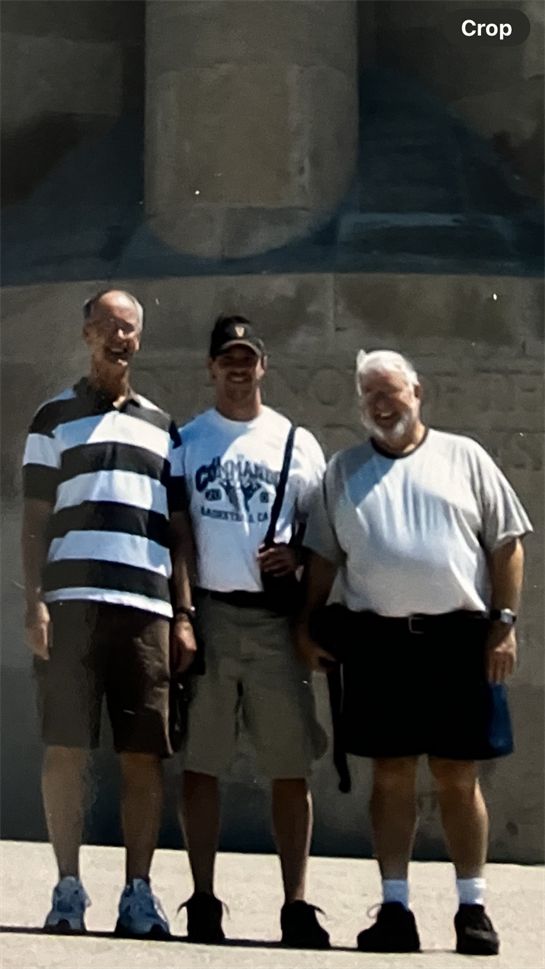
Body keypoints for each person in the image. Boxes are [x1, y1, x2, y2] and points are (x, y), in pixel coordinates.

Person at [297, 349, 533, 957]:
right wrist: (306, 625)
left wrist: (503, 624)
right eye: (369, 395)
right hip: (379, 643)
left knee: (458, 776)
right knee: (392, 775)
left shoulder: (465, 457)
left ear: (417, 392)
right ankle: (395, 908)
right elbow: (323, 558)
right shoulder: (343, 470)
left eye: (391, 392)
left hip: (460, 639)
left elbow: (507, 543)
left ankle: (472, 909)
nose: (381, 404)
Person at [21, 289, 196, 938]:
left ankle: (138, 893)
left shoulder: (162, 426)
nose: (120, 339)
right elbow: (35, 520)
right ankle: (67, 888)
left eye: (131, 329)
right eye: (109, 327)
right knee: (66, 747)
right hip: (71, 608)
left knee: (142, 755)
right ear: (88, 333)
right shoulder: (52, 419)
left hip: (146, 610)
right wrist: (33, 601)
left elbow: (177, 530)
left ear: (139, 341)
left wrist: (182, 613)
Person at [171, 314, 330, 948]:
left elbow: (321, 537)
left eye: (249, 357)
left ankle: (295, 903)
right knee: (201, 763)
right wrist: (182, 615)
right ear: (211, 368)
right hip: (210, 612)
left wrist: (296, 560)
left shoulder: (297, 442)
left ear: (263, 365)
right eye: (227, 358)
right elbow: (177, 534)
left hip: (273, 622)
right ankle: (204, 899)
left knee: (290, 766)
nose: (239, 367)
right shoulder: (187, 441)